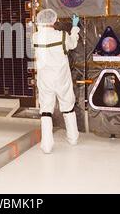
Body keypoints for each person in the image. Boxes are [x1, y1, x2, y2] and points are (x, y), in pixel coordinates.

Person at [33, 9, 80, 154]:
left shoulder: (35, 37)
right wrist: (75, 27)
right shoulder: (62, 36)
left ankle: (46, 145)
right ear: (54, 21)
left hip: (44, 79)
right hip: (61, 77)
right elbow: (72, 44)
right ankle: (73, 138)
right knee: (67, 106)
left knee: (46, 110)